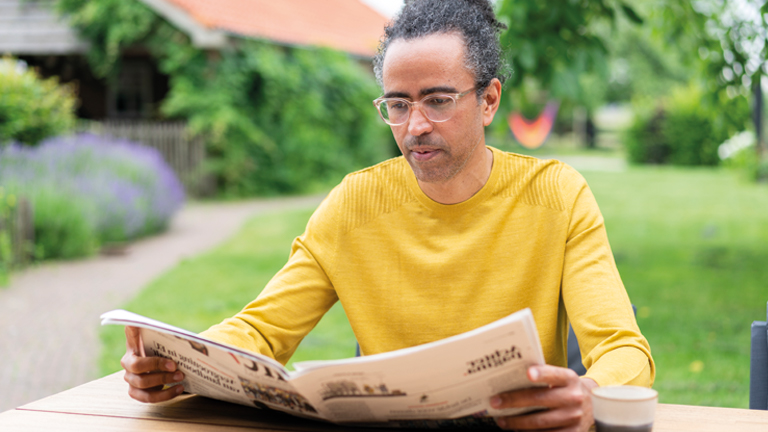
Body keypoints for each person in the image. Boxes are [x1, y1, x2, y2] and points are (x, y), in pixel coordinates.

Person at [121, 1, 654, 430]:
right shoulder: (355, 203)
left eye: (438, 101)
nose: (415, 126)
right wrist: (181, 367)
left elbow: (623, 350)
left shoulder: (556, 195)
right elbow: (260, 331)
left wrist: (590, 394)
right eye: (397, 105)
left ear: (489, 100)